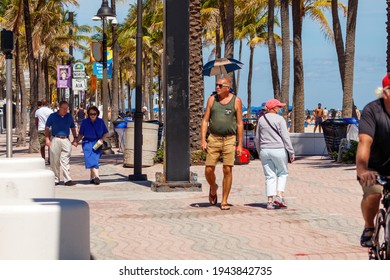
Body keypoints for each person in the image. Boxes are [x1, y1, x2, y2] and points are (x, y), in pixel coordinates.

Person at [356, 73, 390, 247]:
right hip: (374, 168)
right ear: (384, 92)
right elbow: (364, 142)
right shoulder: (372, 111)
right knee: (374, 193)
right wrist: (362, 169)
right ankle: (369, 226)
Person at [201, 77, 243, 210]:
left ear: (227, 87)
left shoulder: (236, 101)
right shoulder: (212, 100)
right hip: (213, 138)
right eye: (216, 85)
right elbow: (205, 120)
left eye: (220, 85)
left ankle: (224, 200)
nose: (217, 87)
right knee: (208, 169)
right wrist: (203, 139)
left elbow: (239, 123)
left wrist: (240, 144)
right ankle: (213, 187)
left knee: (227, 169)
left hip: (230, 139)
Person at [255, 98, 295, 210]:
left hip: (264, 150)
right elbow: (285, 137)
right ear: (273, 108)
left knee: (269, 176)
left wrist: (259, 151)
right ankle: (279, 196)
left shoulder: (261, 120)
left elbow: (257, 138)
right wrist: (291, 152)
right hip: (278, 149)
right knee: (282, 173)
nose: (280, 108)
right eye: (279, 107)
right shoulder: (280, 119)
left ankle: (269, 202)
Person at [45, 100, 78, 186]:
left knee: (65, 159)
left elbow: (73, 128)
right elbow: (47, 127)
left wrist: (75, 138)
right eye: (63, 108)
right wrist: (47, 139)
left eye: (66, 108)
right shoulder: (52, 116)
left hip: (66, 139)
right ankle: (56, 179)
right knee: (54, 160)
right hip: (55, 139)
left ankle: (67, 179)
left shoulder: (69, 117)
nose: (65, 110)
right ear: (59, 107)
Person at [74, 106, 108, 185]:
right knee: (89, 159)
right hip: (87, 143)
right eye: (90, 114)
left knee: (94, 159)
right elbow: (81, 133)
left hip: (97, 143)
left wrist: (102, 140)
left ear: (97, 114)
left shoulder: (100, 122)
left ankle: (93, 177)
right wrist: (76, 141)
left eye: (94, 114)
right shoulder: (85, 122)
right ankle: (97, 176)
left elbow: (106, 132)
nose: (92, 115)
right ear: (88, 114)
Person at [35, 98, 53, 164]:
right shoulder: (50, 111)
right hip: (49, 129)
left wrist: (37, 128)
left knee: (42, 145)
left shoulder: (38, 111)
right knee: (49, 145)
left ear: (41, 104)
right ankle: (50, 159)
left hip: (41, 129)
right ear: (47, 103)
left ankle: (43, 159)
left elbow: (36, 121)